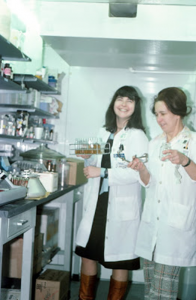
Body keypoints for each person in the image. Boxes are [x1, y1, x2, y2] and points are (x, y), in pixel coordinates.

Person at [75, 86, 148, 300]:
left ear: (135, 107)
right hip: (98, 203)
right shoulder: (102, 132)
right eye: (120, 98)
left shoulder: (138, 136)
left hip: (120, 206)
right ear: (113, 103)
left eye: (130, 101)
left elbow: (137, 174)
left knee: (120, 262)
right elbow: (94, 165)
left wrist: (103, 171)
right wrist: (87, 158)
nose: (124, 104)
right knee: (87, 256)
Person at [128, 87, 196, 299]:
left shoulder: (193, 141)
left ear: (178, 112)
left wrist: (185, 160)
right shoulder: (155, 143)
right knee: (150, 289)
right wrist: (142, 169)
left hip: (175, 228)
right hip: (152, 226)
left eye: (163, 113)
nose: (158, 119)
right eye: (156, 114)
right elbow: (150, 183)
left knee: (163, 292)